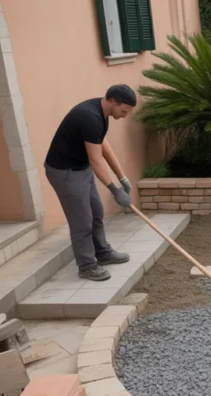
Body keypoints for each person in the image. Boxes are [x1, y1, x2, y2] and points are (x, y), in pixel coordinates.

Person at [44, 85, 138, 281]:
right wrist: (114, 189)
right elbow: (96, 159)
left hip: (81, 168)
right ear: (113, 101)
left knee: (96, 212)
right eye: (123, 111)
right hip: (65, 172)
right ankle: (86, 266)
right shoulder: (89, 116)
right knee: (82, 221)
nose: (124, 115)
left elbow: (103, 145)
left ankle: (102, 253)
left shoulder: (102, 112)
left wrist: (122, 178)